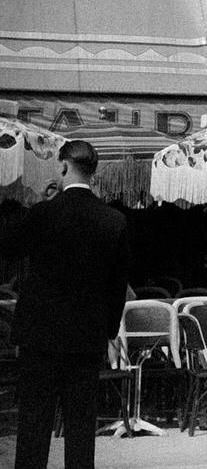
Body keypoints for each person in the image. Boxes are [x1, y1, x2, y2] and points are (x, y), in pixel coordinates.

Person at [3, 140, 131, 469]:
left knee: (33, 427)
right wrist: (109, 330)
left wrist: (38, 205)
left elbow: (7, 246)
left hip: (39, 337)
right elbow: (117, 286)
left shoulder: (43, 214)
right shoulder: (113, 220)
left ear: (62, 167)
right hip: (85, 339)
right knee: (80, 430)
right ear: (93, 171)